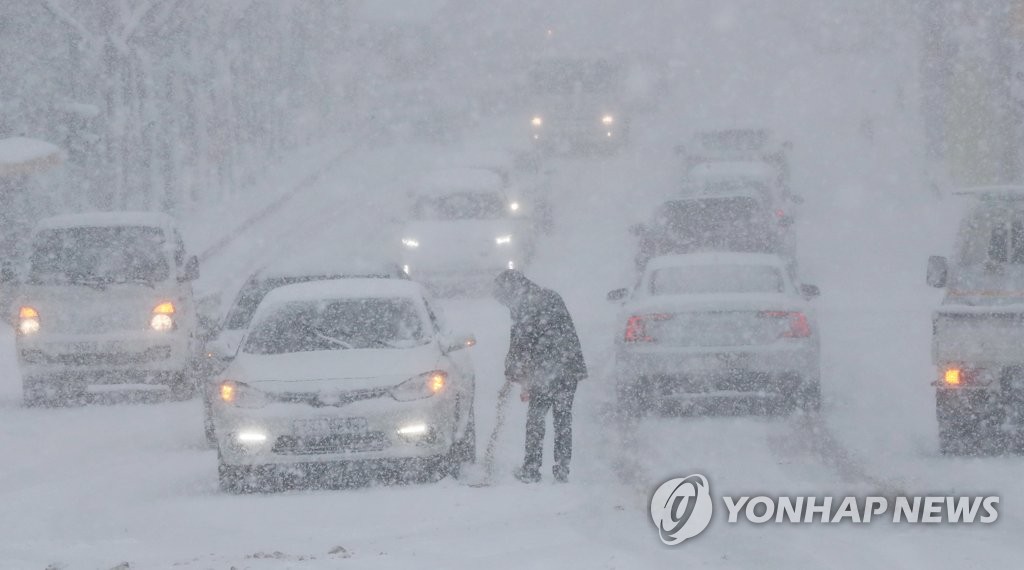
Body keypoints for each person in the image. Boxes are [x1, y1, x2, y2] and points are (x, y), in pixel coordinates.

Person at [493, 269, 587, 483]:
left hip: (545, 370)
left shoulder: (522, 305)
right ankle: (562, 467)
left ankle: (532, 468)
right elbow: (565, 332)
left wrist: (512, 372)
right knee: (563, 417)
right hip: (568, 366)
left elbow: (519, 343)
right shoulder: (551, 295)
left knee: (536, 419)